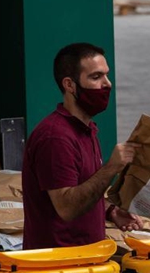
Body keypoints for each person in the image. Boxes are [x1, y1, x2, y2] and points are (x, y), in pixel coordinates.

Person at [22, 43, 143, 250]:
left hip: (87, 260)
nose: (107, 84)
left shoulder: (86, 129)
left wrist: (110, 210)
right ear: (69, 85)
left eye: (106, 75)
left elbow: (83, 189)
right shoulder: (56, 138)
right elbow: (67, 207)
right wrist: (112, 167)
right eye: (96, 77)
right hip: (59, 268)